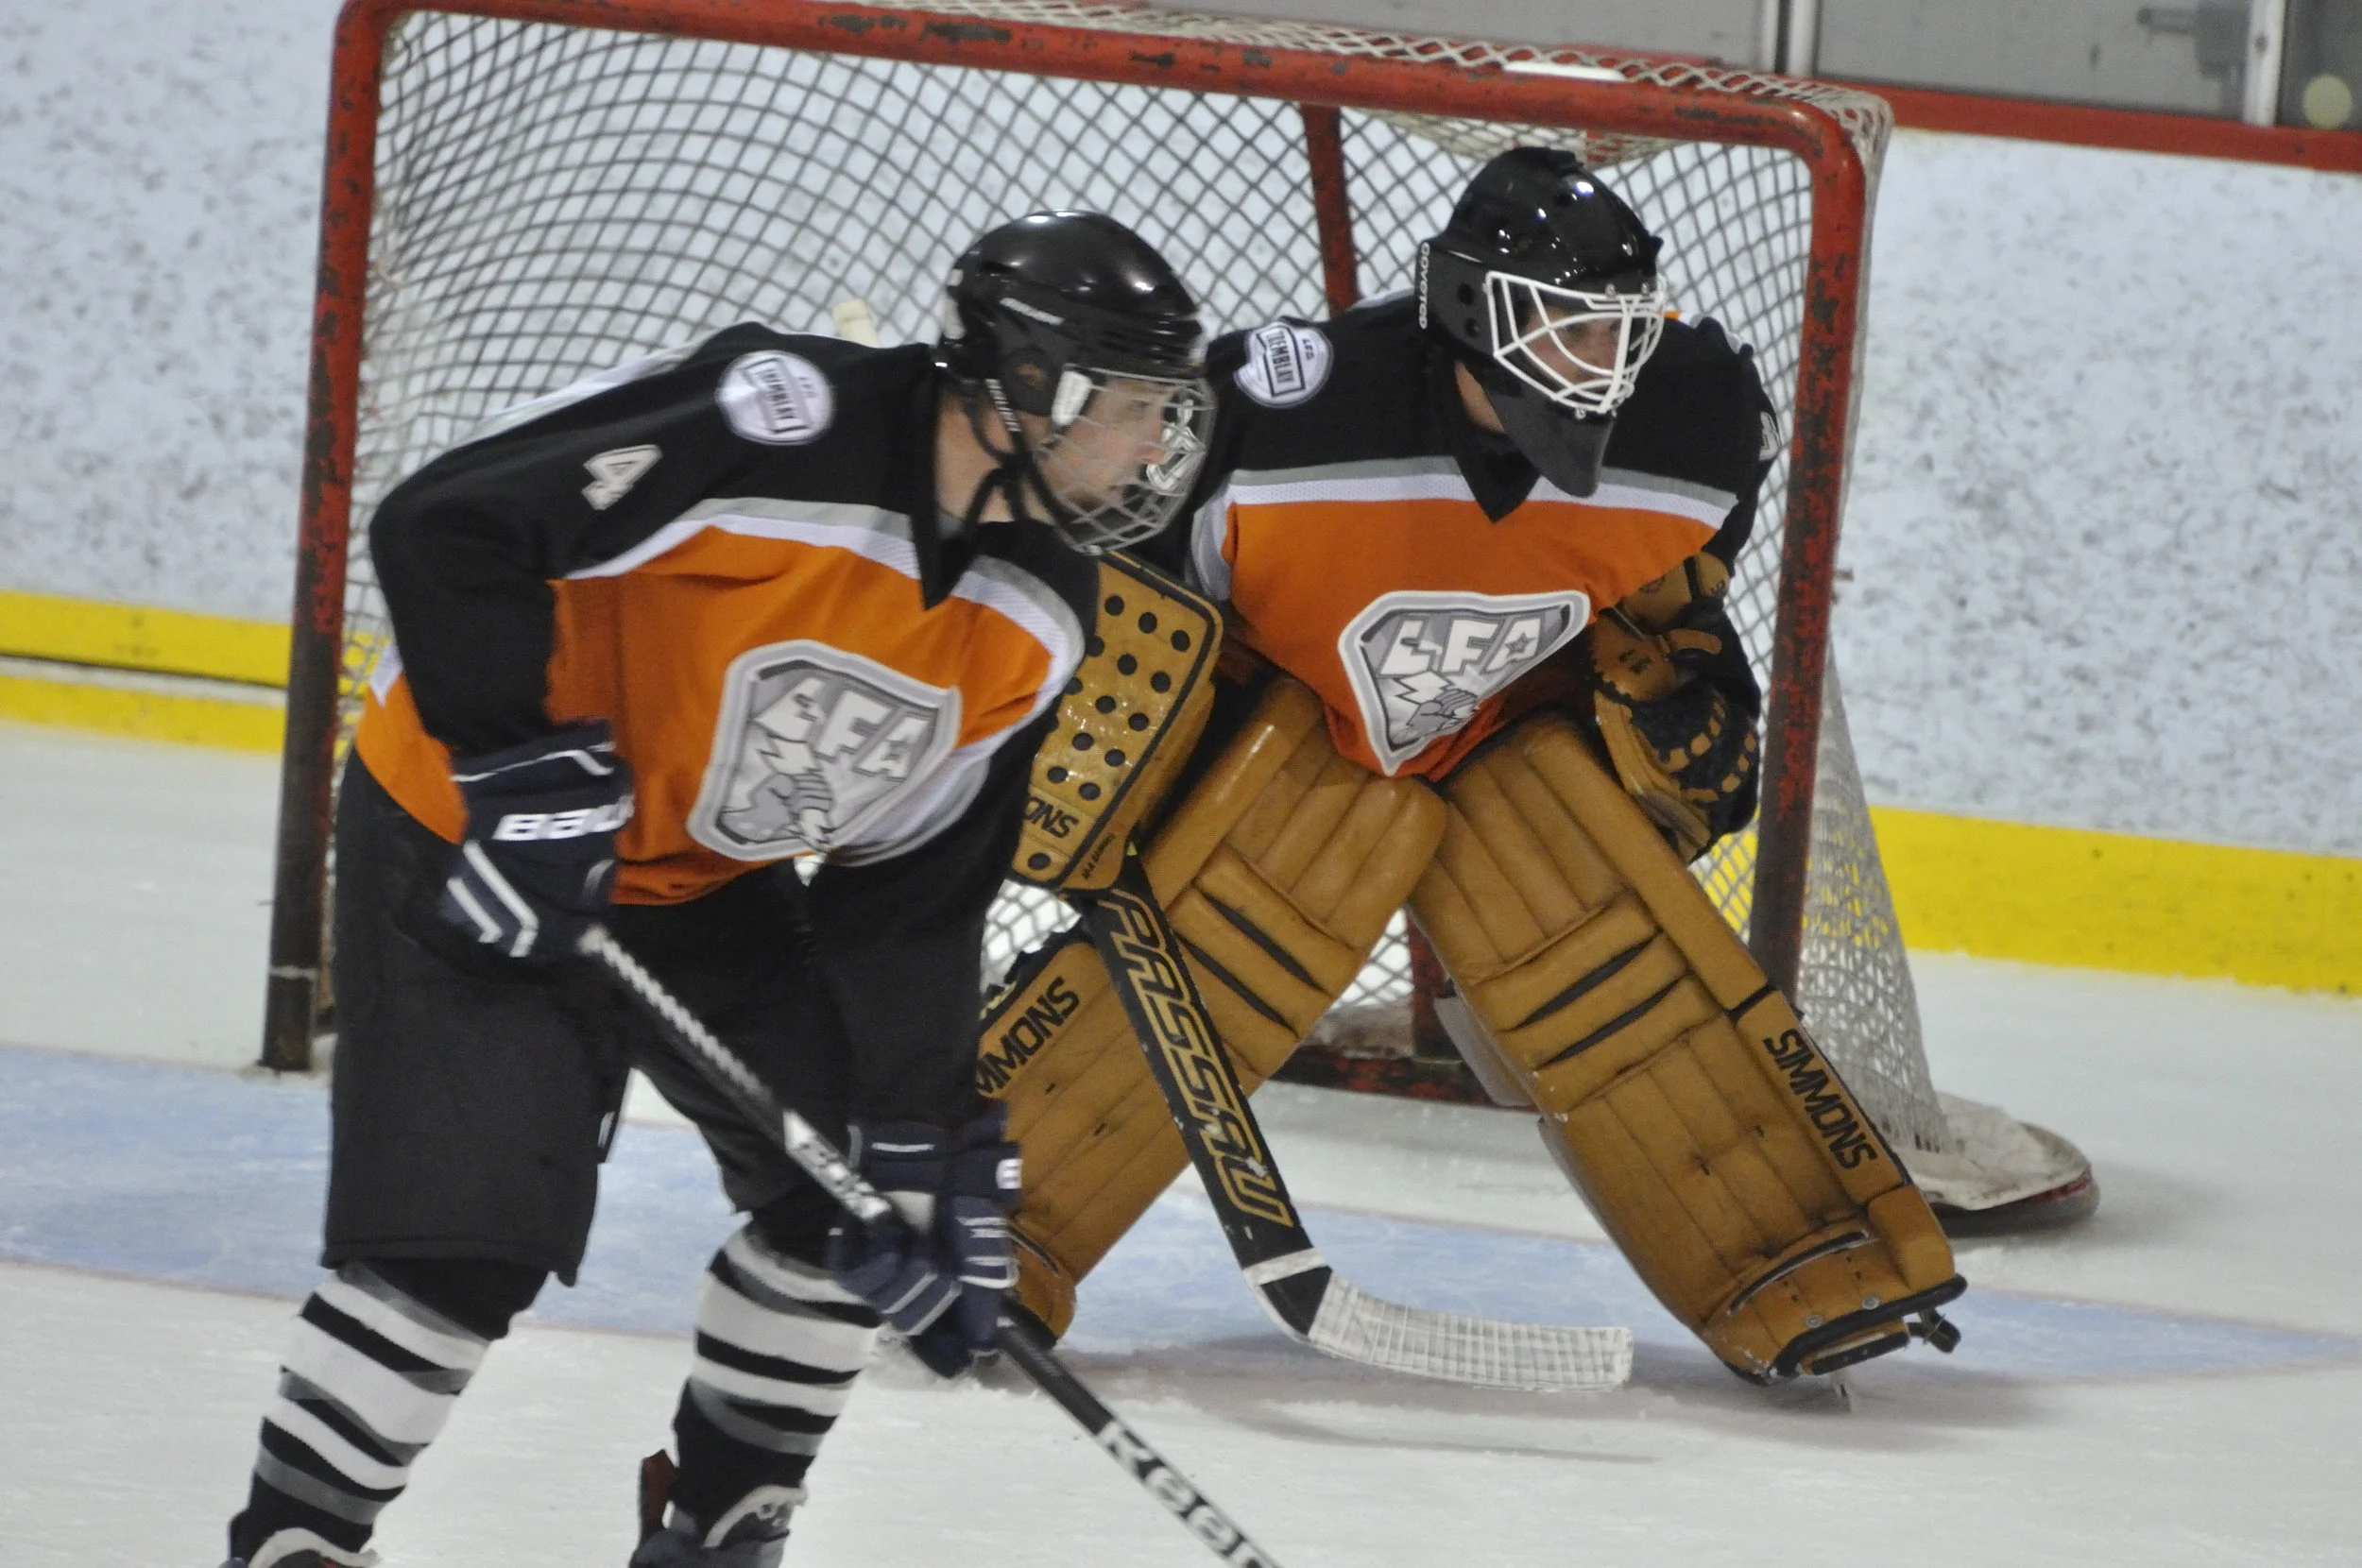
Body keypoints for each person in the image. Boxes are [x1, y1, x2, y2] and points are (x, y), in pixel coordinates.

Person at [219, 211, 1211, 1568]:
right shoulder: (775, 429)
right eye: (1137, 409)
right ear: (1026, 386)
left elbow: (914, 894)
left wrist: (922, 1132)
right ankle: (296, 1545)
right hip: (470, 823)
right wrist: (518, 768)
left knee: (848, 1205)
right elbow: (447, 526)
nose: (1157, 449)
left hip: (693, 880)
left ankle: (719, 1533)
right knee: (458, 1245)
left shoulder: (1043, 609)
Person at [984, 150, 1965, 1385]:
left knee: (1569, 887)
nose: (1601, 362)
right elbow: (1123, 607)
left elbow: (1670, 617)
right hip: (1278, 728)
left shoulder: (1697, 420)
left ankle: (1796, 1254)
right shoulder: (1277, 411)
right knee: (1261, 892)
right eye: (1563, 328)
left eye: (1616, 329)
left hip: (1503, 730)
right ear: (1465, 308)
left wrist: (1692, 704)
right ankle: (988, 1221)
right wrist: (1103, 761)